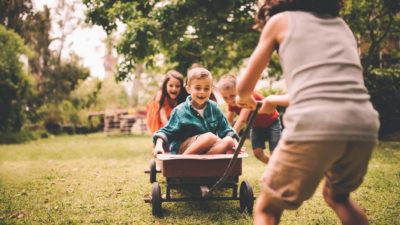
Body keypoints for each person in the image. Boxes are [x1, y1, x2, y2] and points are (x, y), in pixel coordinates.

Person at [235, 0, 380, 224]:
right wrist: (274, 99)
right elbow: (327, 90)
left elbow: (244, 88)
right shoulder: (341, 25)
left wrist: (244, 100)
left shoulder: (280, 22)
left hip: (315, 123)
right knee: (338, 197)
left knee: (267, 209)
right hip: (363, 123)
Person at [152, 67, 239, 156]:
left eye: (206, 88)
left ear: (211, 89)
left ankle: (199, 164)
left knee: (229, 140)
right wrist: (158, 146)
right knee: (210, 137)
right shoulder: (180, 111)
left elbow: (227, 130)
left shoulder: (214, 108)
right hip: (184, 149)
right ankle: (182, 161)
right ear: (188, 89)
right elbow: (165, 132)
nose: (202, 92)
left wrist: (236, 144)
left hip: (208, 149)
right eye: (197, 88)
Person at [217, 74, 282, 164]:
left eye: (232, 96)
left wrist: (230, 136)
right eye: (225, 97)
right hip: (256, 126)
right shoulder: (231, 104)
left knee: (275, 152)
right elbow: (228, 121)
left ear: (238, 90)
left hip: (272, 122)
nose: (229, 100)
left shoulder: (247, 97)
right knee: (258, 153)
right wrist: (221, 135)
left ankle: (276, 169)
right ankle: (275, 167)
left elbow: (242, 120)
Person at [146, 70, 188, 134]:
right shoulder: (160, 96)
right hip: (159, 118)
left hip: (171, 118)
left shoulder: (182, 98)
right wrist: (172, 131)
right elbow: (164, 119)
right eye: (171, 86)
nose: (174, 89)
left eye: (177, 86)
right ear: (165, 86)